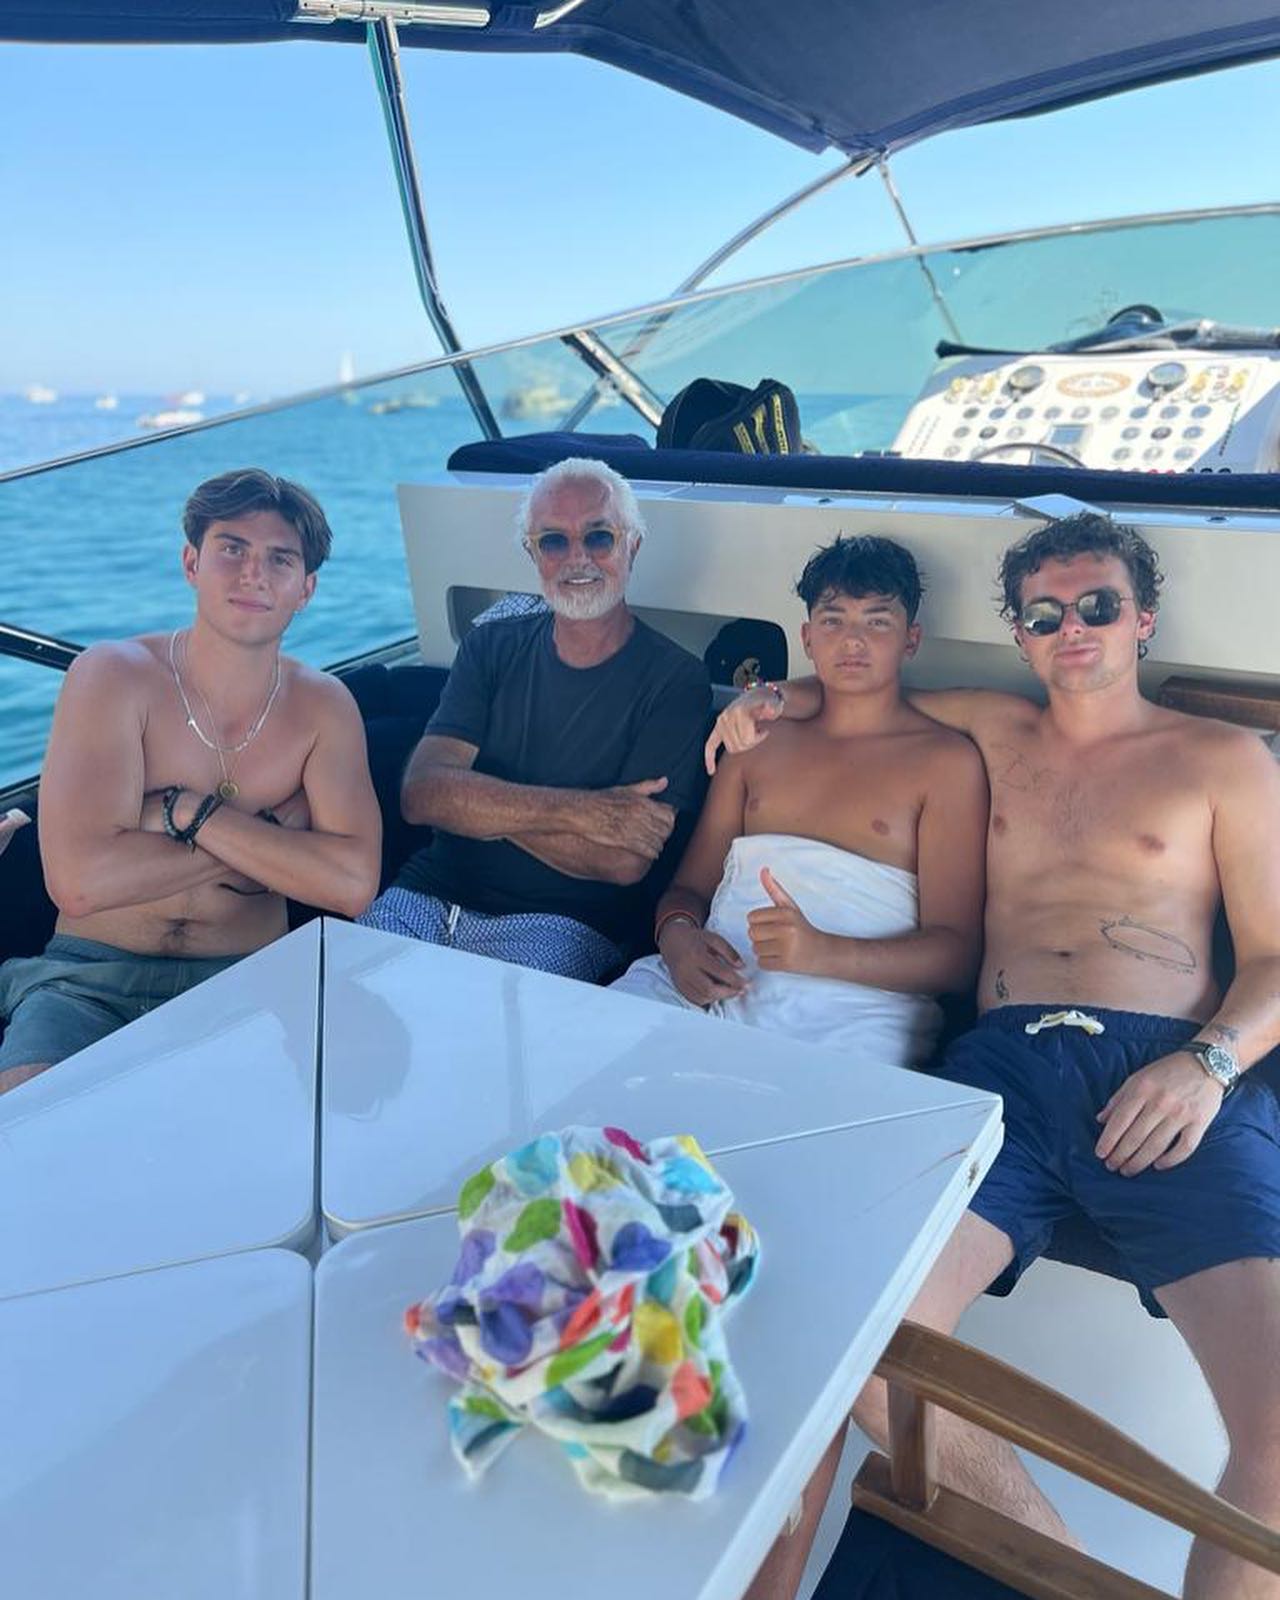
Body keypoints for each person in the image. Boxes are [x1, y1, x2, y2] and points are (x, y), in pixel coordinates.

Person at [712, 511, 1280, 1600]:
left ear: (1142, 618)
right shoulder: (989, 723)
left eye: (1098, 605)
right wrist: (764, 698)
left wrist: (1208, 1065)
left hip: (1165, 1072)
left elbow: (1273, 959)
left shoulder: (1221, 758)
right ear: (1019, 634)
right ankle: (1067, 1575)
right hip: (1003, 1069)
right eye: (1045, 613)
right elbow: (857, 681)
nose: (1073, 627)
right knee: (858, 1340)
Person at [0, 468, 382, 1096]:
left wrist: (184, 813)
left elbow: (351, 885)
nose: (254, 574)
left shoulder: (323, 706)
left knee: (263, 1145)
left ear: (305, 589)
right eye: (232, 548)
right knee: (25, 1136)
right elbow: (81, 884)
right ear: (191, 563)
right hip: (88, 983)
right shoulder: (113, 677)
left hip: (251, 981)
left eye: (280, 559)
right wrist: (264, 846)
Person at [611, 535, 986, 1060]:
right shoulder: (756, 743)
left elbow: (956, 956)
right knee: (586, 1050)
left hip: (854, 1011)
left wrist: (821, 953)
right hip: (706, 986)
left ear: (911, 639)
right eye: (833, 620)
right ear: (807, 638)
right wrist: (677, 941)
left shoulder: (946, 764)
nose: (852, 640)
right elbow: (689, 889)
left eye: (877, 621)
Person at [358, 457, 711, 981]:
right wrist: (583, 812)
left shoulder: (675, 680)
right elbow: (422, 794)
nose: (577, 558)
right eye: (553, 541)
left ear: (633, 545)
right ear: (532, 553)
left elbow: (623, 861)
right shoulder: (490, 646)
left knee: (489, 1035)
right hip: (425, 895)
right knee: (342, 1001)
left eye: (599, 537)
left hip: (562, 924)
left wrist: (473, 802)